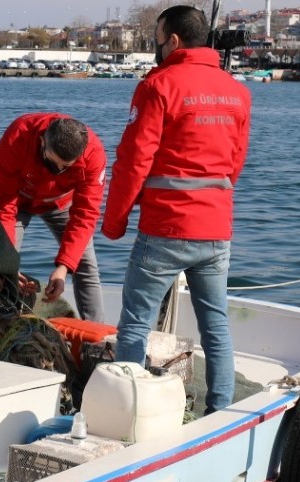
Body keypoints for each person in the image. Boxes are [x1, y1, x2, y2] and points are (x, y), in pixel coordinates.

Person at [101, 5, 251, 414]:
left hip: (165, 227)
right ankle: (220, 412)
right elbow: (235, 161)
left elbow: (134, 160)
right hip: (215, 227)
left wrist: (114, 222)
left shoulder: (158, 86)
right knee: (216, 326)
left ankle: (126, 413)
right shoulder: (237, 91)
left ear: (174, 41)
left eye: (158, 40)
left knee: (136, 324)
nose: (157, 48)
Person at [0, 113, 107, 322]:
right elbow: (1, 207)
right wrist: (7, 265)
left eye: (66, 167)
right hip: (16, 201)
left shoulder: (94, 154)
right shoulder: (17, 137)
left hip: (60, 203)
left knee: (85, 263)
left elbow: (85, 215)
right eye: (52, 163)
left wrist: (63, 268)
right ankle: (0, 324)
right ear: (42, 141)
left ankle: (96, 330)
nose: (58, 170)